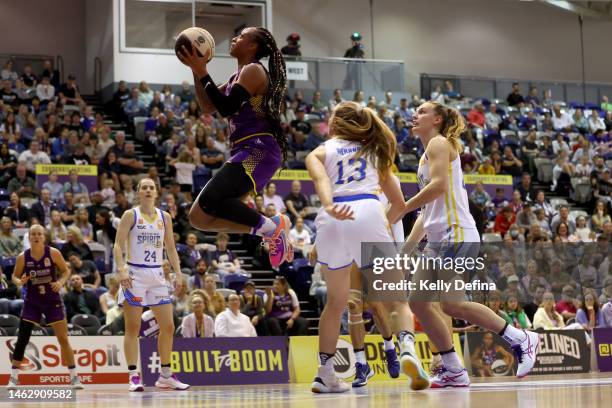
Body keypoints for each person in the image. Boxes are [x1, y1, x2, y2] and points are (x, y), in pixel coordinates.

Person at [402, 101, 539, 388]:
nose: (416, 114)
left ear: (437, 119)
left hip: (458, 234)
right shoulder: (424, 158)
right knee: (418, 302)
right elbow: (426, 213)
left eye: (423, 111)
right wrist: (405, 249)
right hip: (438, 239)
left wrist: (400, 208)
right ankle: (453, 368)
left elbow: (438, 185)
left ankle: (522, 338)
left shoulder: (440, 143)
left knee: (451, 303)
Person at [305, 101, 426, 393]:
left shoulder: (319, 151)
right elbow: (399, 205)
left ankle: (324, 373)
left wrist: (328, 205)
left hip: (332, 216)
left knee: (335, 303)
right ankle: (407, 348)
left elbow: (321, 180)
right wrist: (379, 226)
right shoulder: (374, 151)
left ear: (334, 124)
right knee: (396, 299)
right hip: (367, 211)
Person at [179, 26, 292, 268]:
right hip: (247, 149)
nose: (234, 38)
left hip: (259, 150)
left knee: (212, 200)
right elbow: (209, 107)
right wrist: (197, 72)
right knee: (199, 217)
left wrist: (202, 71)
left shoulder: (253, 70)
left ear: (252, 46)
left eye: (241, 36)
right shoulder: (236, 76)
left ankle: (272, 228)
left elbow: (227, 108)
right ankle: (269, 230)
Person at [113, 178, 189, 391]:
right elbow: (118, 246)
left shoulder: (164, 217)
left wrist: (178, 273)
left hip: (157, 276)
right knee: (133, 327)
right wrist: (121, 270)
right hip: (134, 274)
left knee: (168, 326)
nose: (147, 190)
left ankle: (165, 375)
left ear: (157, 192)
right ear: (138, 192)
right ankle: (133, 375)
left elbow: (171, 249)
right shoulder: (130, 215)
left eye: (151, 187)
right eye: (144, 187)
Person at [6, 225, 84, 389]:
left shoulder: (53, 253)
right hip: (32, 302)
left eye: (39, 234)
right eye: (33, 234)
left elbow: (65, 271)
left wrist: (60, 283)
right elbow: (14, 276)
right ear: (29, 237)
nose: (36, 236)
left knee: (63, 339)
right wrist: (19, 282)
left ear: (44, 236)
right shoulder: (23, 257)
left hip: (52, 300)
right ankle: (13, 378)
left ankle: (74, 377)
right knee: (22, 339)